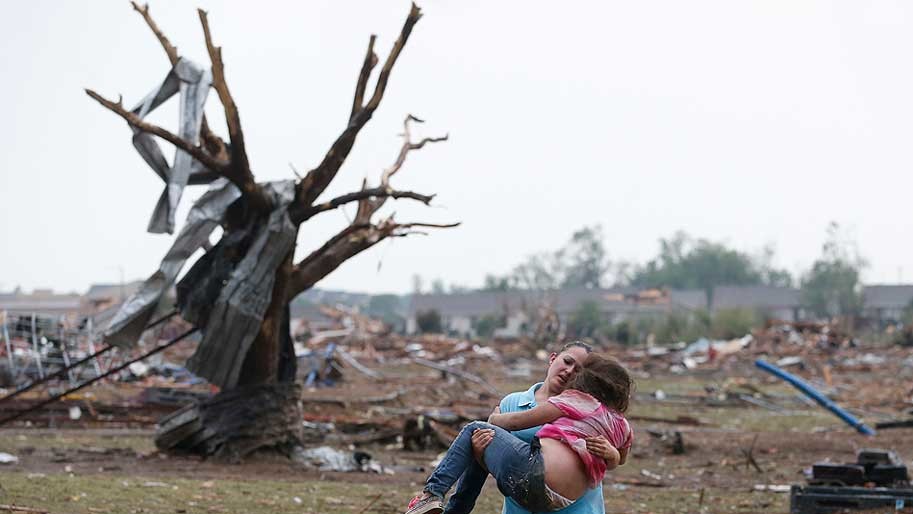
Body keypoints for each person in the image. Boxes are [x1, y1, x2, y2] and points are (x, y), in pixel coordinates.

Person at [403, 352, 634, 514]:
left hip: (538, 477)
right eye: (567, 362)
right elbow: (621, 459)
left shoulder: (576, 400)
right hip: (559, 501)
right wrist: (613, 454)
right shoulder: (622, 425)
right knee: (481, 441)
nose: (571, 372)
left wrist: (493, 419)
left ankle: (431, 495)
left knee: (475, 429)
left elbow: (514, 422)